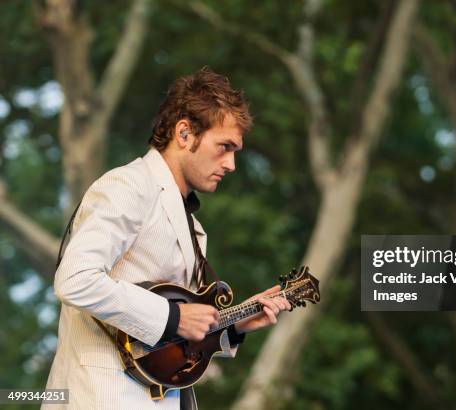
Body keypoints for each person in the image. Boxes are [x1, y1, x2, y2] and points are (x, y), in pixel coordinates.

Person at [43, 67, 291, 410]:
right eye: (224, 147)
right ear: (185, 133)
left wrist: (233, 325)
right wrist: (174, 317)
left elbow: (169, 343)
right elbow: (74, 279)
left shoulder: (191, 224)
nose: (232, 164)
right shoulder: (129, 186)